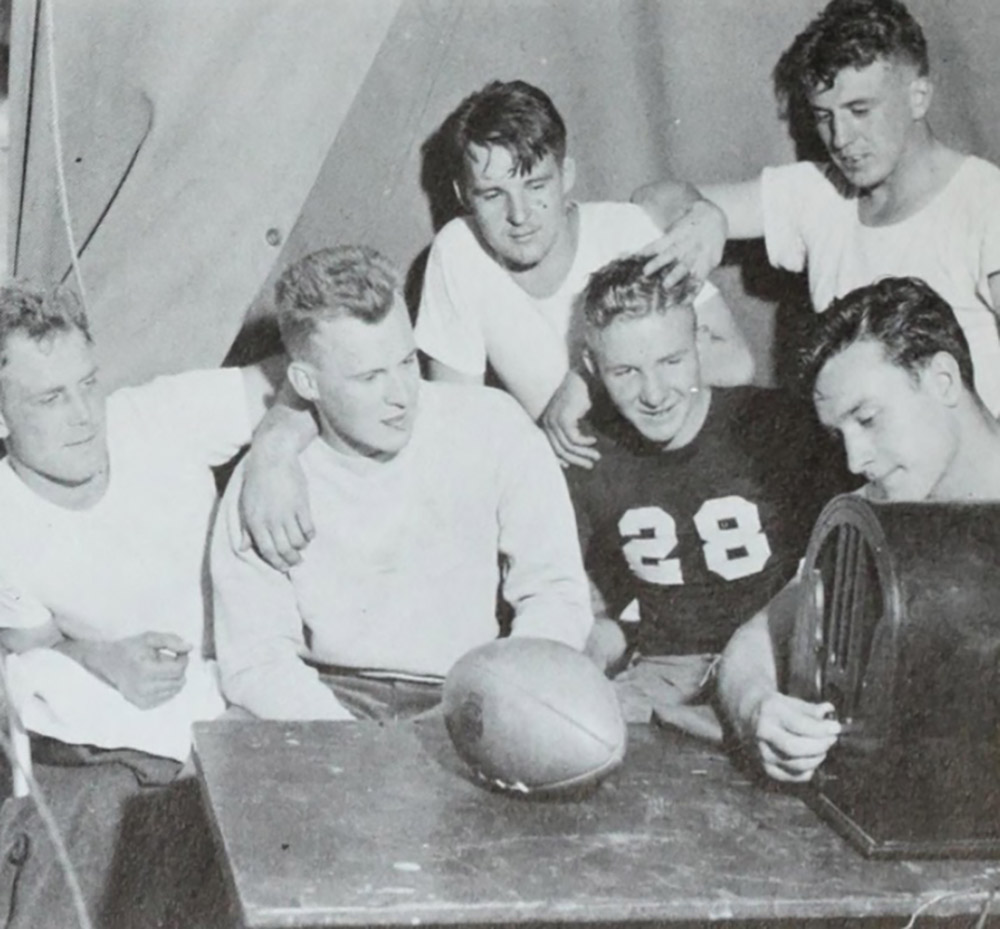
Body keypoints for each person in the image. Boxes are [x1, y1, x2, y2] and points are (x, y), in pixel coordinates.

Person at [548, 0, 1000, 464]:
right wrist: (704, 214)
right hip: (858, 479)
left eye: (860, 110)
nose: (840, 138)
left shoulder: (987, 204)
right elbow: (653, 199)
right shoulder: (819, 193)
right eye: (824, 116)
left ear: (918, 96)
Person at [0, 281, 287, 925]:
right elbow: (32, 652)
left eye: (87, 384)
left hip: (263, 680)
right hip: (142, 739)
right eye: (50, 398)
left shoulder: (153, 417)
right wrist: (102, 657)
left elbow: (303, 370)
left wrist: (274, 450)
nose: (83, 415)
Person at [212, 245, 592, 721]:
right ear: (305, 383)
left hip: (471, 691)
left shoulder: (491, 426)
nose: (401, 396)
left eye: (407, 362)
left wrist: (505, 693)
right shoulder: (267, 483)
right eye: (369, 377)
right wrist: (353, 743)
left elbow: (555, 591)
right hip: (327, 699)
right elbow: (255, 658)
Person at [716, 276, 1000, 783]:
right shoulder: (873, 509)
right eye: (838, 434)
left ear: (943, 379)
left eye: (867, 418)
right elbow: (757, 636)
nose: (854, 458)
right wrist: (756, 711)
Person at [565, 255, 849, 740]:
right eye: (625, 372)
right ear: (592, 367)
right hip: (663, 674)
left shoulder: (776, 426)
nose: (653, 393)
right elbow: (598, 613)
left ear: (701, 341)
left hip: (782, 660)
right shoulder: (586, 455)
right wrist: (579, 662)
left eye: (671, 361)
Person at [415, 79, 754, 435]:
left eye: (536, 186)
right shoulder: (457, 252)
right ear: (463, 194)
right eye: (492, 194)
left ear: (566, 176)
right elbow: (458, 420)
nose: (519, 215)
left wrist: (589, 381)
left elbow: (735, 361)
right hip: (576, 479)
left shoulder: (627, 232)